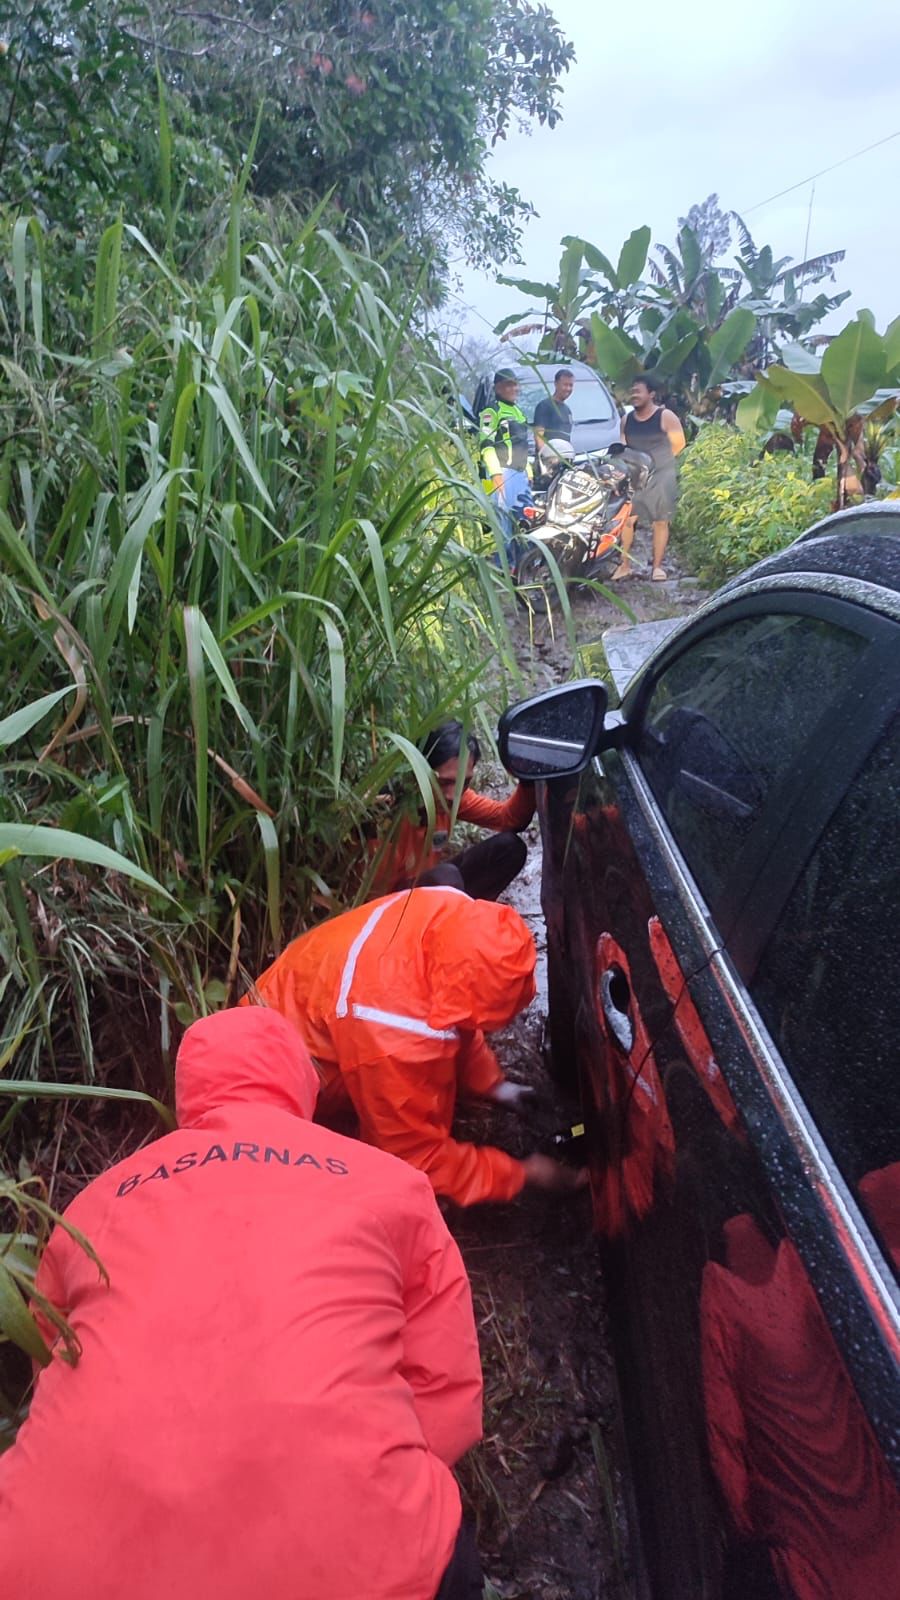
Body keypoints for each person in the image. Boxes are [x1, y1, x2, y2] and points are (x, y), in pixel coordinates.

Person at [0, 1008, 486, 1600]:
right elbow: (447, 1390)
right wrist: (371, 1469)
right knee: (431, 1547)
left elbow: (52, 1352)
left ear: (188, 1094)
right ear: (301, 1083)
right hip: (365, 1562)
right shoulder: (389, 1182)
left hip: (42, 1560)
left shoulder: (98, 1200)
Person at [244, 886, 585, 1206]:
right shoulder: (394, 1036)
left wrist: (496, 1087)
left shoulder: (445, 912)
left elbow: (459, 1014)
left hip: (291, 1002)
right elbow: (414, 1156)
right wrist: (521, 1174)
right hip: (263, 1094)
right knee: (363, 1185)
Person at [373, 719, 535, 899]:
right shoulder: (385, 816)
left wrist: (529, 776)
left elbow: (508, 819)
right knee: (445, 877)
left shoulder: (453, 797)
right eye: (443, 782)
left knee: (509, 849)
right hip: (391, 910)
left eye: (463, 783)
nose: (453, 794)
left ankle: (468, 916)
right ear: (417, 772)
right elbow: (374, 897)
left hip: (429, 890)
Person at [611, 373, 686, 583]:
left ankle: (657, 567)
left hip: (661, 474)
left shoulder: (665, 416)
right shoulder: (627, 420)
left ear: (651, 394)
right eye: (632, 392)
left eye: (638, 392)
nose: (634, 395)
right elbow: (623, 447)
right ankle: (624, 564)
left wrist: (658, 463)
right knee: (626, 519)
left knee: (660, 521)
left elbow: (679, 443)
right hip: (635, 475)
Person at [478, 367, 531, 560]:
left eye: (515, 384)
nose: (514, 388)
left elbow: (522, 445)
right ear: (498, 388)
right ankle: (503, 571)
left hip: (520, 474)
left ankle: (522, 569)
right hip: (503, 473)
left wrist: (528, 472)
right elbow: (486, 444)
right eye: (509, 384)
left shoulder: (517, 411)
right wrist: (495, 474)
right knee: (504, 528)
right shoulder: (491, 412)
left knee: (525, 522)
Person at [532, 367, 575, 462]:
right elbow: (539, 436)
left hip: (565, 462)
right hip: (549, 463)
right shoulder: (544, 406)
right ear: (556, 384)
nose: (568, 388)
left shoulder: (567, 410)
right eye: (565, 385)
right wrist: (548, 458)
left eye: (571, 385)